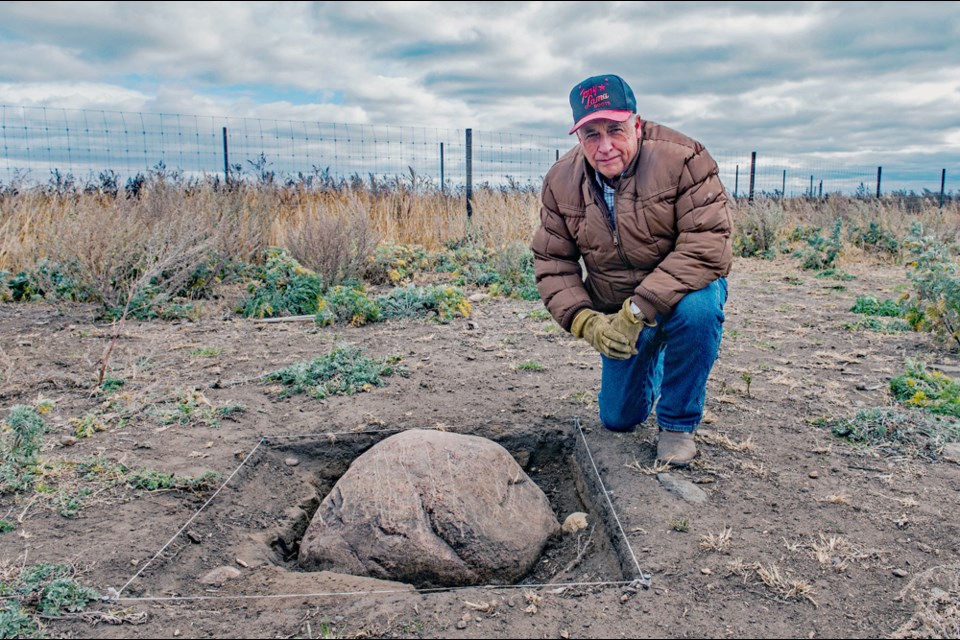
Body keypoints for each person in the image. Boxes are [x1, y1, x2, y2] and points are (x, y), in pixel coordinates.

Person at [530, 74, 732, 466]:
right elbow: (553, 262)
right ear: (578, 137)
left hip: (682, 294)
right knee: (619, 419)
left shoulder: (685, 158)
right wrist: (587, 321)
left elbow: (706, 246)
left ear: (636, 124)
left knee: (699, 313)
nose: (605, 147)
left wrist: (638, 310)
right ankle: (649, 356)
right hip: (616, 304)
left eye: (615, 130)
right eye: (591, 134)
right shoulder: (560, 181)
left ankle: (677, 423)